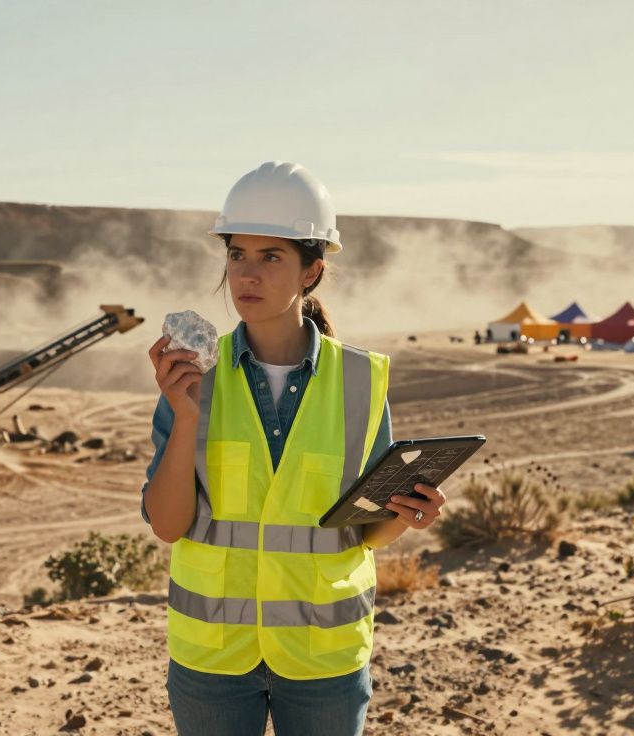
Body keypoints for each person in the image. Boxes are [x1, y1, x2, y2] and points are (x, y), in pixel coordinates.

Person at [142, 162, 445, 736]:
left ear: (313, 270)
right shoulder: (191, 379)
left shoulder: (360, 380)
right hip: (212, 659)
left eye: (271, 257)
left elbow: (364, 527)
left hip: (322, 658)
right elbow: (167, 524)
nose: (246, 275)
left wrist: (407, 517)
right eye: (237, 255)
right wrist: (185, 417)